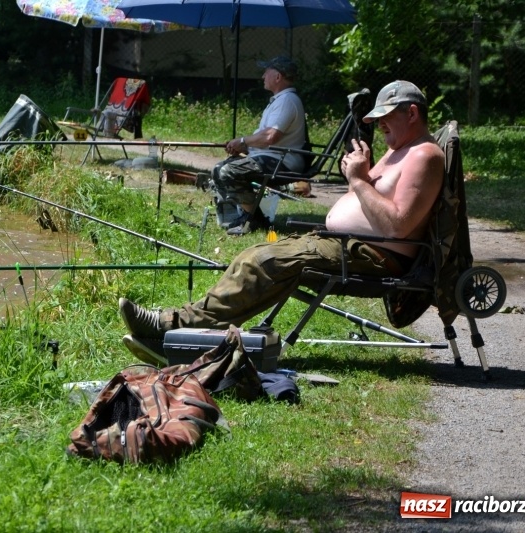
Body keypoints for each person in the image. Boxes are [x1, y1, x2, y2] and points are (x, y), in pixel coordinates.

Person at [119, 80, 445, 366]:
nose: (380, 124)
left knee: (264, 261)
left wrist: (358, 180)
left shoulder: (424, 155)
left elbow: (399, 227)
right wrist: (359, 177)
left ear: (412, 114)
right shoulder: (400, 151)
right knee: (258, 253)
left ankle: (172, 327)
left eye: (386, 117)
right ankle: (182, 327)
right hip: (349, 245)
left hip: (373, 257)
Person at [213, 56, 308, 236]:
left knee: (228, 171)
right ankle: (250, 217)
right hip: (271, 156)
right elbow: (265, 138)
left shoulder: (287, 100)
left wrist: (242, 142)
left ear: (278, 77)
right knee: (218, 169)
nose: (263, 75)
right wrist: (245, 147)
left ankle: (251, 218)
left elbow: (270, 137)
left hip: (283, 161)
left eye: (267, 71)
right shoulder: (280, 100)